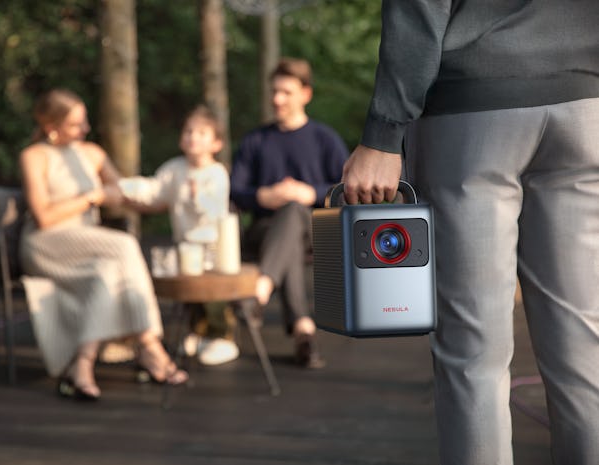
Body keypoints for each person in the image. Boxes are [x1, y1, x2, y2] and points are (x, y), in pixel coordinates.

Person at [341, 2, 599, 464]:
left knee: (473, 353)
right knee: (583, 345)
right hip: (584, 107)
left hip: (472, 114)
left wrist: (383, 133)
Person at [18, 88, 188, 401]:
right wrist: (91, 198)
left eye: (84, 123)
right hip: (47, 244)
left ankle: (82, 363)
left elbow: (125, 192)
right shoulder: (34, 157)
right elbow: (43, 216)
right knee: (124, 245)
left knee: (108, 272)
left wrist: (174, 193)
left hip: (90, 245)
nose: (84, 130)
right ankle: (149, 344)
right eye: (75, 125)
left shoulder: (92, 153)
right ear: (50, 127)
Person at [230, 57, 349, 368]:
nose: (276, 99)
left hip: (315, 231)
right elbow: (233, 191)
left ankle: (260, 291)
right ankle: (303, 331)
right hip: (264, 231)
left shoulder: (324, 139)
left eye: (285, 92)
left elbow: (348, 189)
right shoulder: (256, 140)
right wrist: (262, 195)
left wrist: (311, 193)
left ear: (305, 94)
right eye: (273, 92)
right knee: (288, 234)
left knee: (296, 210)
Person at [122, 104, 240, 366]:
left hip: (212, 244)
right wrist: (127, 187)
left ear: (216, 143)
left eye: (201, 133)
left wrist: (198, 197)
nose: (192, 137)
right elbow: (155, 190)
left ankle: (222, 336)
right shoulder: (175, 168)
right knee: (190, 291)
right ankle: (197, 332)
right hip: (185, 243)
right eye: (188, 131)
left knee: (212, 292)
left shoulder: (216, 173)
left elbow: (212, 207)